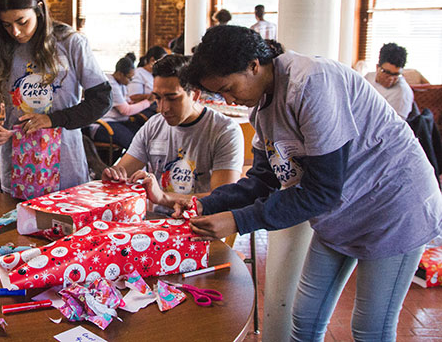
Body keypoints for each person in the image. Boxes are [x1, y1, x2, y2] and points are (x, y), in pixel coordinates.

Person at [144, 25, 442, 341]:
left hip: (392, 207)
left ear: (253, 65)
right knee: (305, 318)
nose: (229, 99)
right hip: (342, 211)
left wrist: (238, 220)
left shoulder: (311, 83)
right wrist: (204, 203)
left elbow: (322, 191)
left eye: (229, 88)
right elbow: (261, 180)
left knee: (370, 329)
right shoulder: (261, 107)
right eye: (220, 94)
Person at [0, 0, 111, 197]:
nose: (15, 32)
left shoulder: (70, 42)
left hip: (66, 162)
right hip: (18, 163)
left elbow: (101, 100)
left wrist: (51, 120)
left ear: (38, 10)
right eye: (7, 25)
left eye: (22, 21)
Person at [102, 54, 244, 203]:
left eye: (172, 98)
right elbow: (123, 172)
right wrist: (114, 178)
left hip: (201, 222)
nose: (163, 108)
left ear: (195, 94)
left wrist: (164, 198)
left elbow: (223, 200)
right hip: (155, 220)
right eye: (157, 98)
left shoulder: (224, 131)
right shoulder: (153, 125)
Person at [92, 54, 151, 150]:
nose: (130, 81)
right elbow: (125, 110)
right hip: (103, 125)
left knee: (143, 137)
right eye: (129, 78)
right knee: (134, 144)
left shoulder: (121, 83)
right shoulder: (110, 84)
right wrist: (148, 102)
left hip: (118, 122)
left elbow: (126, 102)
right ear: (120, 74)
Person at [364, 42, 414, 118]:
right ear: (377, 67)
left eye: (396, 74)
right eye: (386, 72)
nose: (391, 78)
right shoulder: (368, 78)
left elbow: (394, 126)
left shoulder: (402, 93)